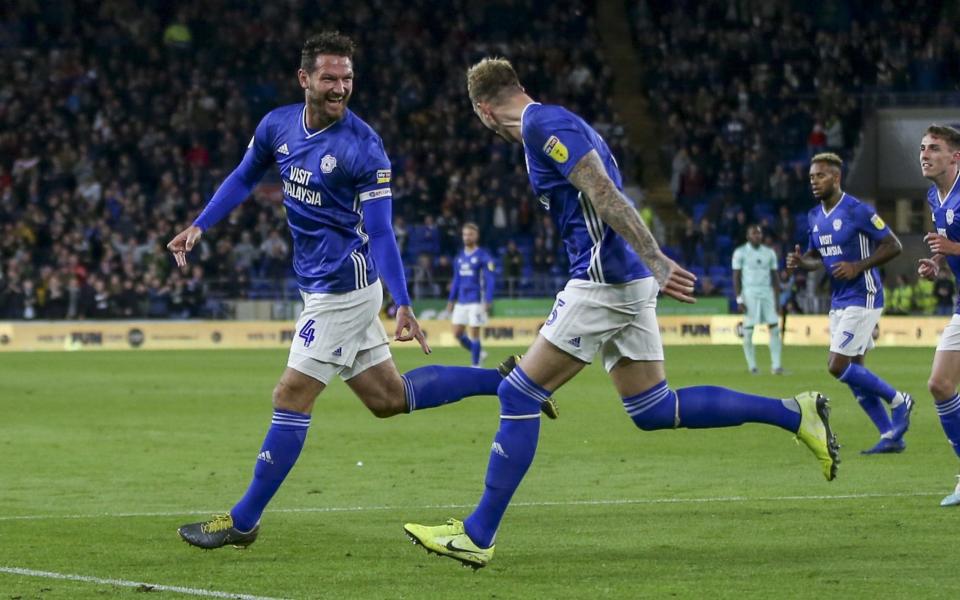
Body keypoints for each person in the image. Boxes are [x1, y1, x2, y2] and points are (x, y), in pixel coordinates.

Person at [403, 57, 839, 569]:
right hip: (617, 279)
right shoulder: (549, 128)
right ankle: (794, 412)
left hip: (606, 280)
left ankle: (477, 534)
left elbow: (605, 193)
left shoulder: (545, 124)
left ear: (482, 109)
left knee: (518, 391)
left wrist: (655, 258)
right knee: (653, 409)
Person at [166, 33, 555, 551]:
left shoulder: (363, 147)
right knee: (388, 398)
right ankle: (507, 380)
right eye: (330, 77)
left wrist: (404, 302)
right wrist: (200, 225)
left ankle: (242, 520)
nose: (340, 87)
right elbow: (243, 176)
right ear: (304, 78)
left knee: (290, 394)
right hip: (318, 286)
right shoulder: (276, 126)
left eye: (347, 78)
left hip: (342, 289)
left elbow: (382, 232)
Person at [786, 152, 913, 455]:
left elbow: (894, 244)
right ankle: (889, 435)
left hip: (864, 295)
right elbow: (820, 258)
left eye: (821, 176)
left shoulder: (857, 210)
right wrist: (803, 262)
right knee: (855, 375)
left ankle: (899, 400)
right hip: (839, 299)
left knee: (836, 365)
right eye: (812, 177)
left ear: (836, 177)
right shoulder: (815, 216)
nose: (814, 182)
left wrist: (859, 266)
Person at [915, 124, 960, 505]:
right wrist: (937, 261)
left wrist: (952, 247)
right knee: (939, 384)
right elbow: (948, 244)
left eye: (934, 148)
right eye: (922, 148)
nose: (924, 154)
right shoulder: (935, 196)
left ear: (955, 156)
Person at [732, 224, 784, 374]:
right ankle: (752, 366)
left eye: (759, 234)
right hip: (749, 293)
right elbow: (736, 277)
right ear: (748, 236)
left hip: (767, 293)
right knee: (748, 331)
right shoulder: (740, 252)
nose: (757, 236)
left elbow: (775, 278)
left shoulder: (769, 253)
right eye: (753, 234)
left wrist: (777, 300)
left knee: (774, 328)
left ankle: (776, 366)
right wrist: (739, 299)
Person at [446, 223, 495, 367]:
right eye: (465, 234)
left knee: (474, 333)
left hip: (476, 300)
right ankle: (479, 352)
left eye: (470, 234)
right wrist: (451, 300)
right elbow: (456, 280)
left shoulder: (483, 256)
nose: (467, 237)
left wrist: (488, 299)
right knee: (457, 333)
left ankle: (476, 365)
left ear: (476, 236)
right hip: (461, 300)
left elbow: (490, 279)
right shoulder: (459, 257)